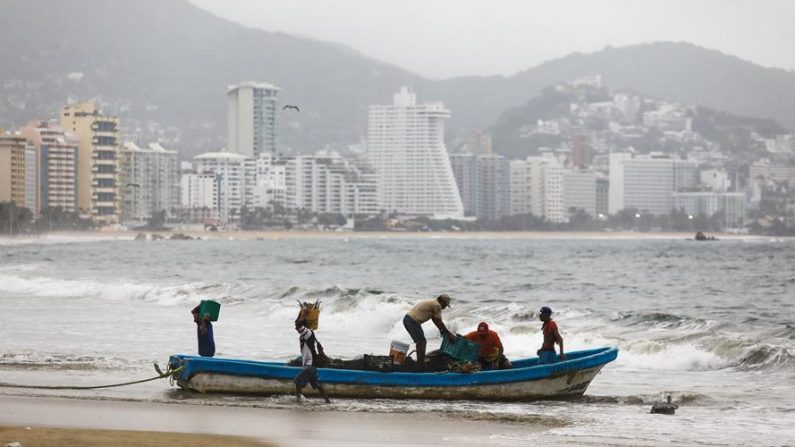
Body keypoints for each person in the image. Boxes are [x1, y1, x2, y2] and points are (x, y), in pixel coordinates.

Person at [403, 294, 456, 370]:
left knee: (420, 341)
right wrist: (449, 334)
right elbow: (438, 321)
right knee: (421, 342)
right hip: (412, 321)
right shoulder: (437, 305)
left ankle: (420, 363)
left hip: (407, 319)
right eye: (445, 305)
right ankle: (420, 365)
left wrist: (442, 330)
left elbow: (435, 320)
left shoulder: (433, 303)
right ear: (441, 301)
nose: (444, 307)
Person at [294, 319, 331, 403]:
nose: (295, 328)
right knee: (317, 385)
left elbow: (300, 328)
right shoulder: (305, 335)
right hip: (311, 364)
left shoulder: (308, 333)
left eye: (297, 326)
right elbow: (300, 327)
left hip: (309, 364)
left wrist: (300, 320)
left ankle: (298, 400)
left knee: (297, 381)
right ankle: (327, 400)